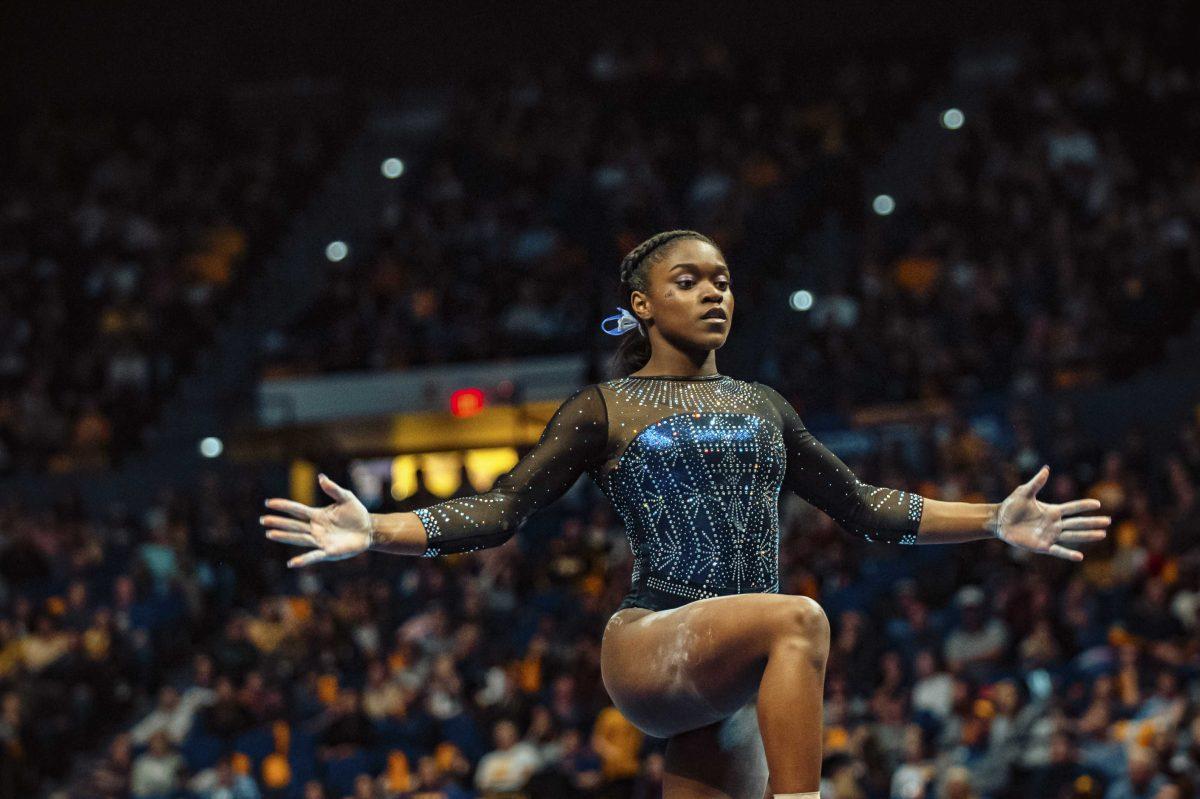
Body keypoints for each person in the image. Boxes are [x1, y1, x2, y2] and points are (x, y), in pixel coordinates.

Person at [262, 230, 1112, 798]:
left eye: (724, 281)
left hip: (729, 680)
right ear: (642, 303)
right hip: (651, 644)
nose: (715, 293)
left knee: (781, 638)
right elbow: (500, 507)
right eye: (689, 280)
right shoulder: (607, 407)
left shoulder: (765, 404)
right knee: (801, 619)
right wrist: (375, 529)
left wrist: (996, 519)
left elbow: (867, 507)